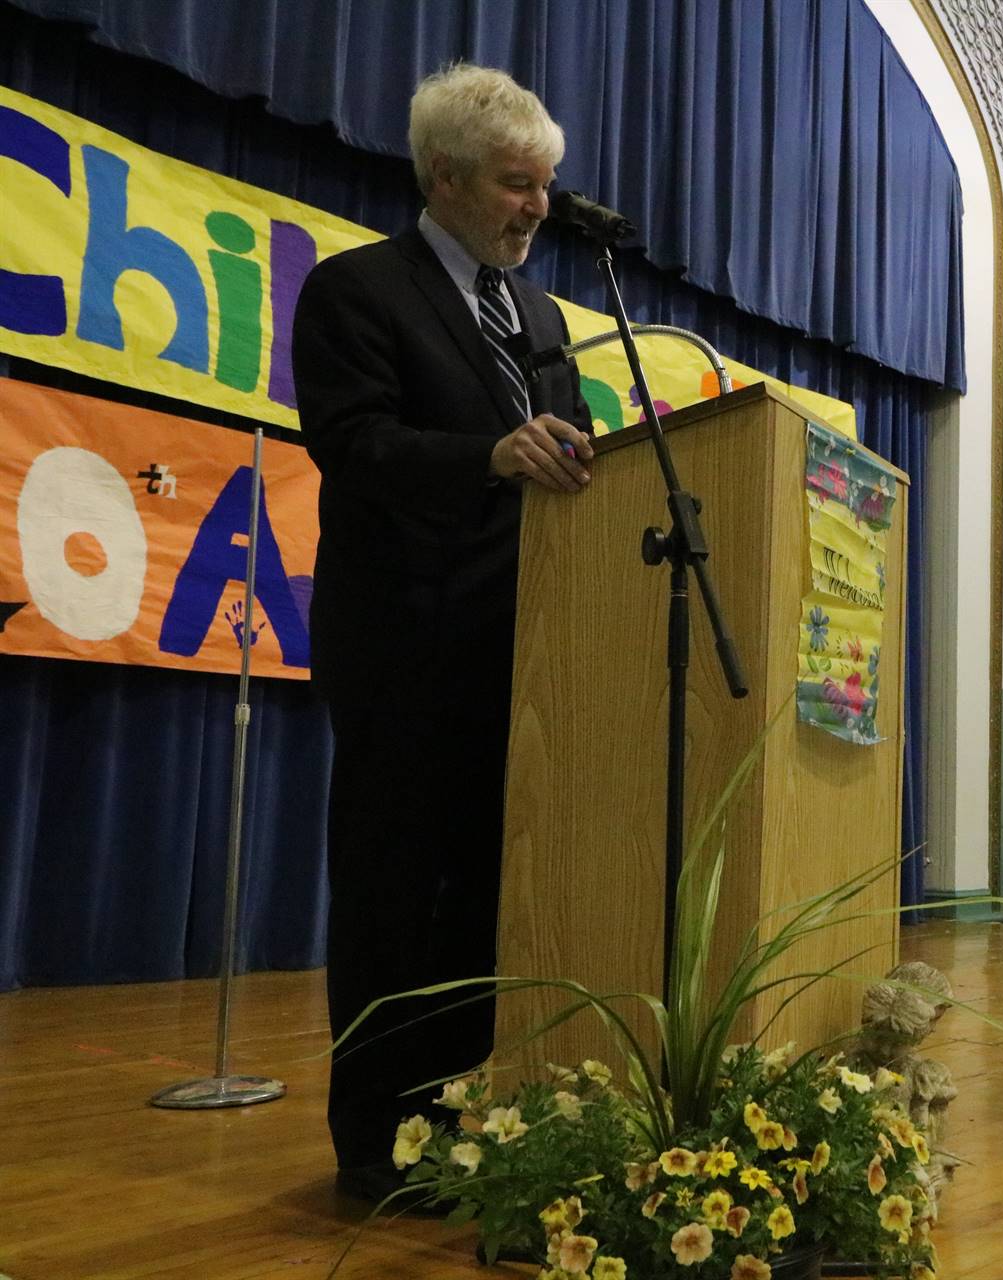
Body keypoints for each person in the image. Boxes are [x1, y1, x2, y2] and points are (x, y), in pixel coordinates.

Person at [292, 63, 596, 1206]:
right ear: (445, 177)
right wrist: (487, 454)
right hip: (402, 655)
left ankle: (460, 1122)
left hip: (518, 660)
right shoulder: (358, 291)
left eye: (548, 185)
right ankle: (374, 1145)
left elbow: (564, 461)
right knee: (391, 899)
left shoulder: (547, 315)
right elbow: (354, 442)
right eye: (519, 185)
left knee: (482, 900)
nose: (538, 209)